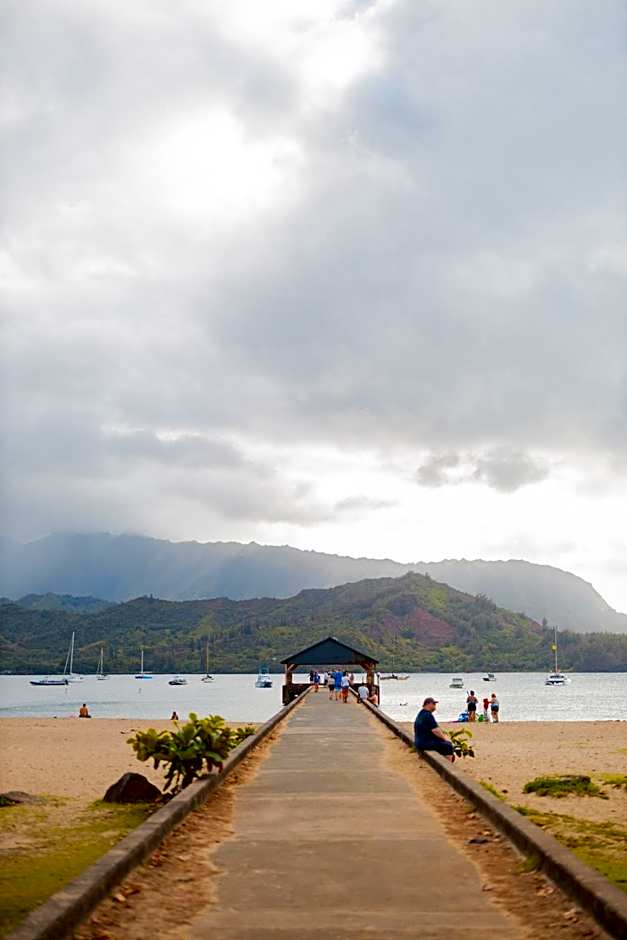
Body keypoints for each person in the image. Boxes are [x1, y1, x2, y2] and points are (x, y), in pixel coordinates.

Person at [414, 697, 455, 762]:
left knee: (443, 743)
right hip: (424, 743)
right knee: (448, 746)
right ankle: (448, 764)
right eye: (434, 704)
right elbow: (436, 730)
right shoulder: (428, 715)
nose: (435, 706)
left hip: (419, 741)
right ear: (428, 704)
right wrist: (444, 739)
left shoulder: (421, 713)